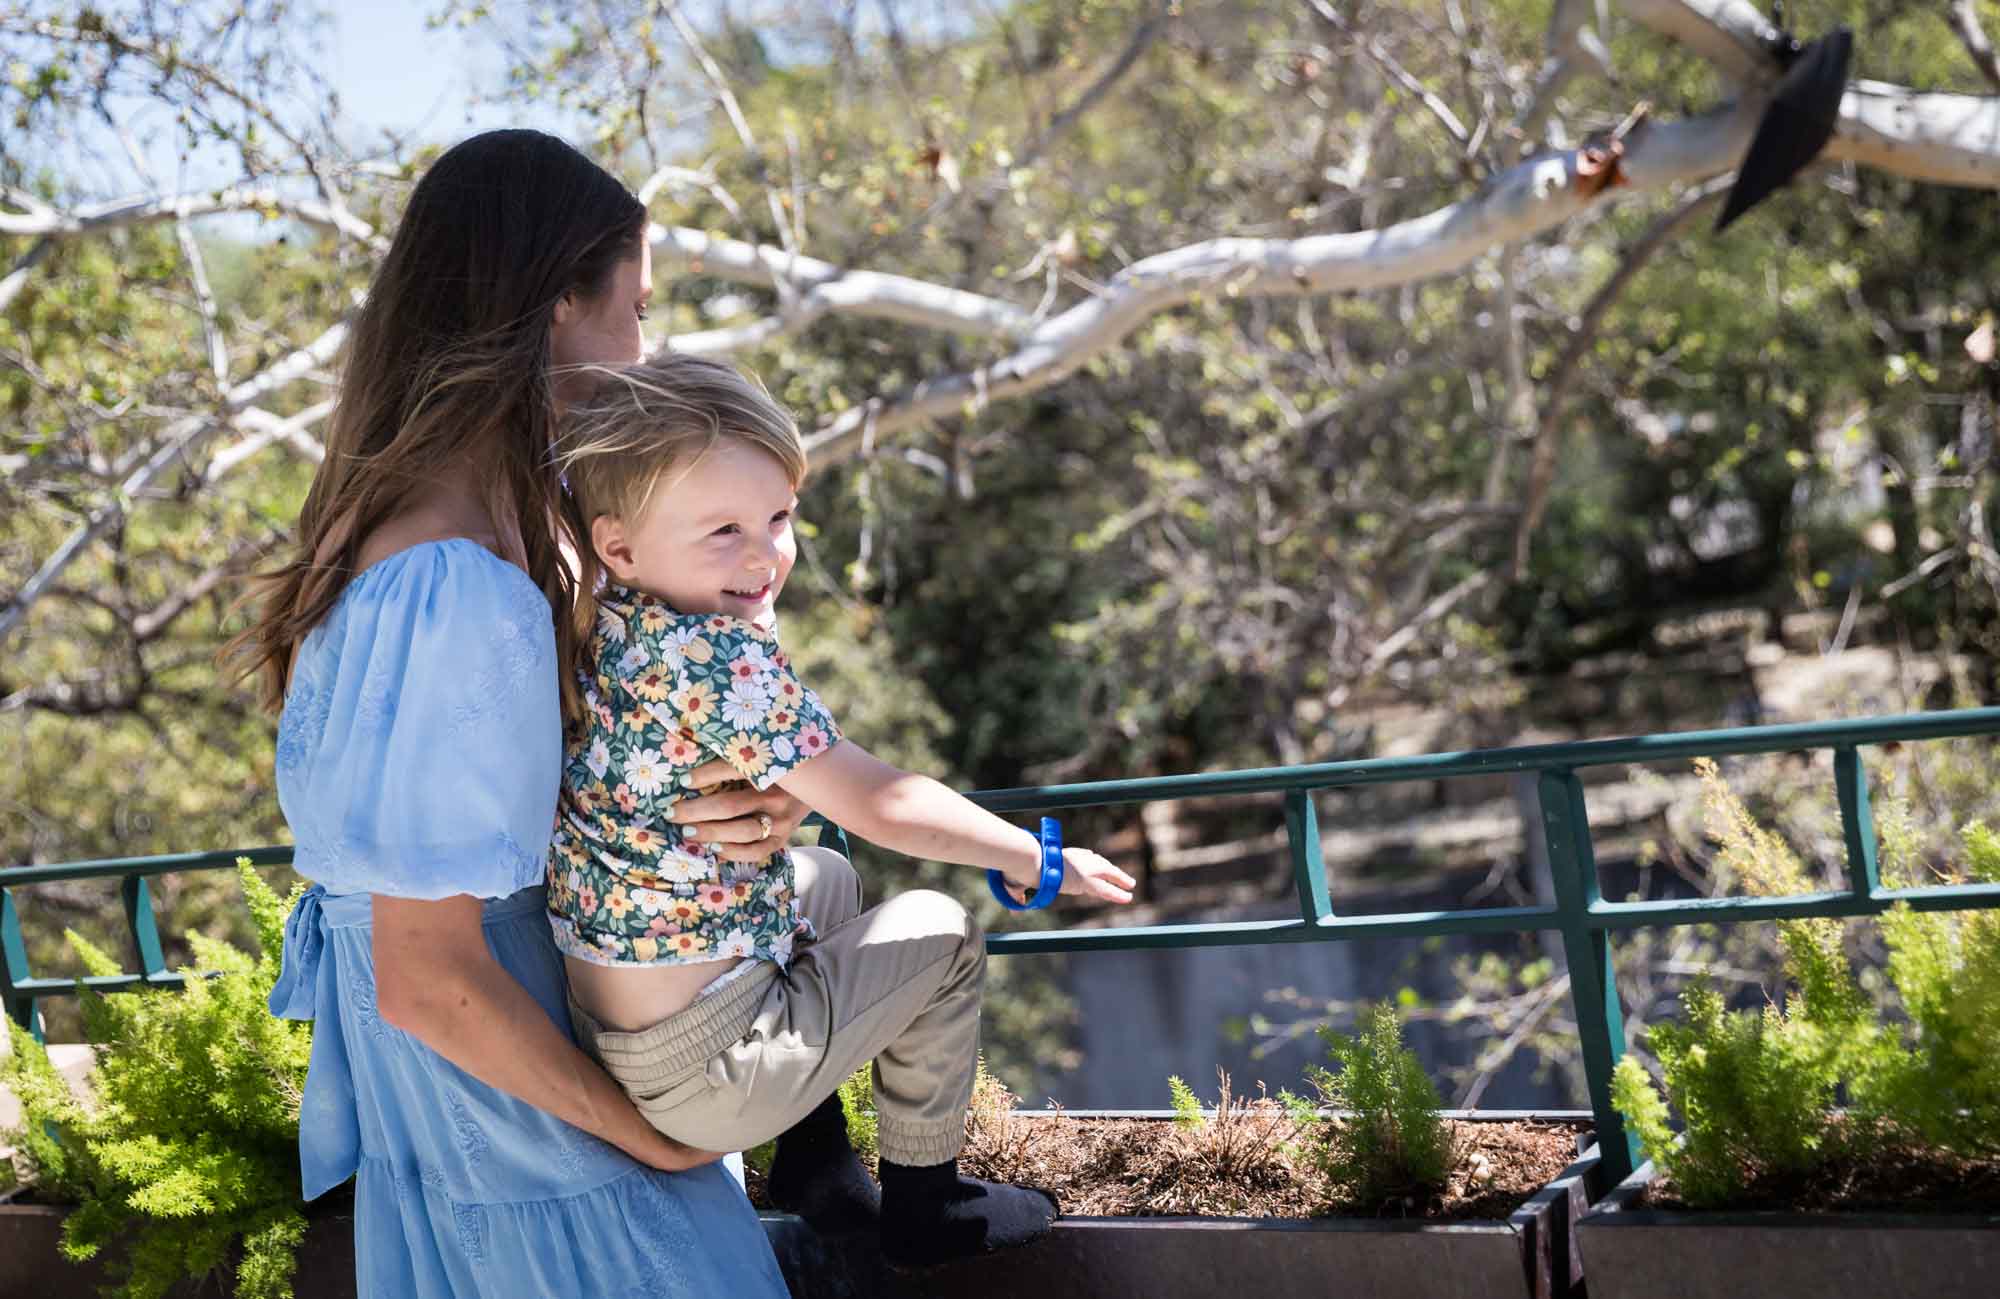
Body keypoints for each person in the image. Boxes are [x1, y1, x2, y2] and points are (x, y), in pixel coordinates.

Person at [227, 129, 792, 1297]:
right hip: (537, 1146)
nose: (646, 346)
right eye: (633, 308)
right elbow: (425, 972)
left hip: (471, 1133)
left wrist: (726, 804)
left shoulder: (417, 537)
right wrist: (649, 1142)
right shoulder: (453, 586)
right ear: (552, 310)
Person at [545, 353, 1139, 1268]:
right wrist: (1031, 854)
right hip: (705, 1071)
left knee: (823, 878)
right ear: (620, 545)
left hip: (625, 1025)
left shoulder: (614, 615)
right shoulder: (714, 660)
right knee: (940, 933)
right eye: (725, 531)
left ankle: (814, 1163)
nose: (764, 553)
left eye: (779, 517)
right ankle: (926, 1209)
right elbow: (882, 800)